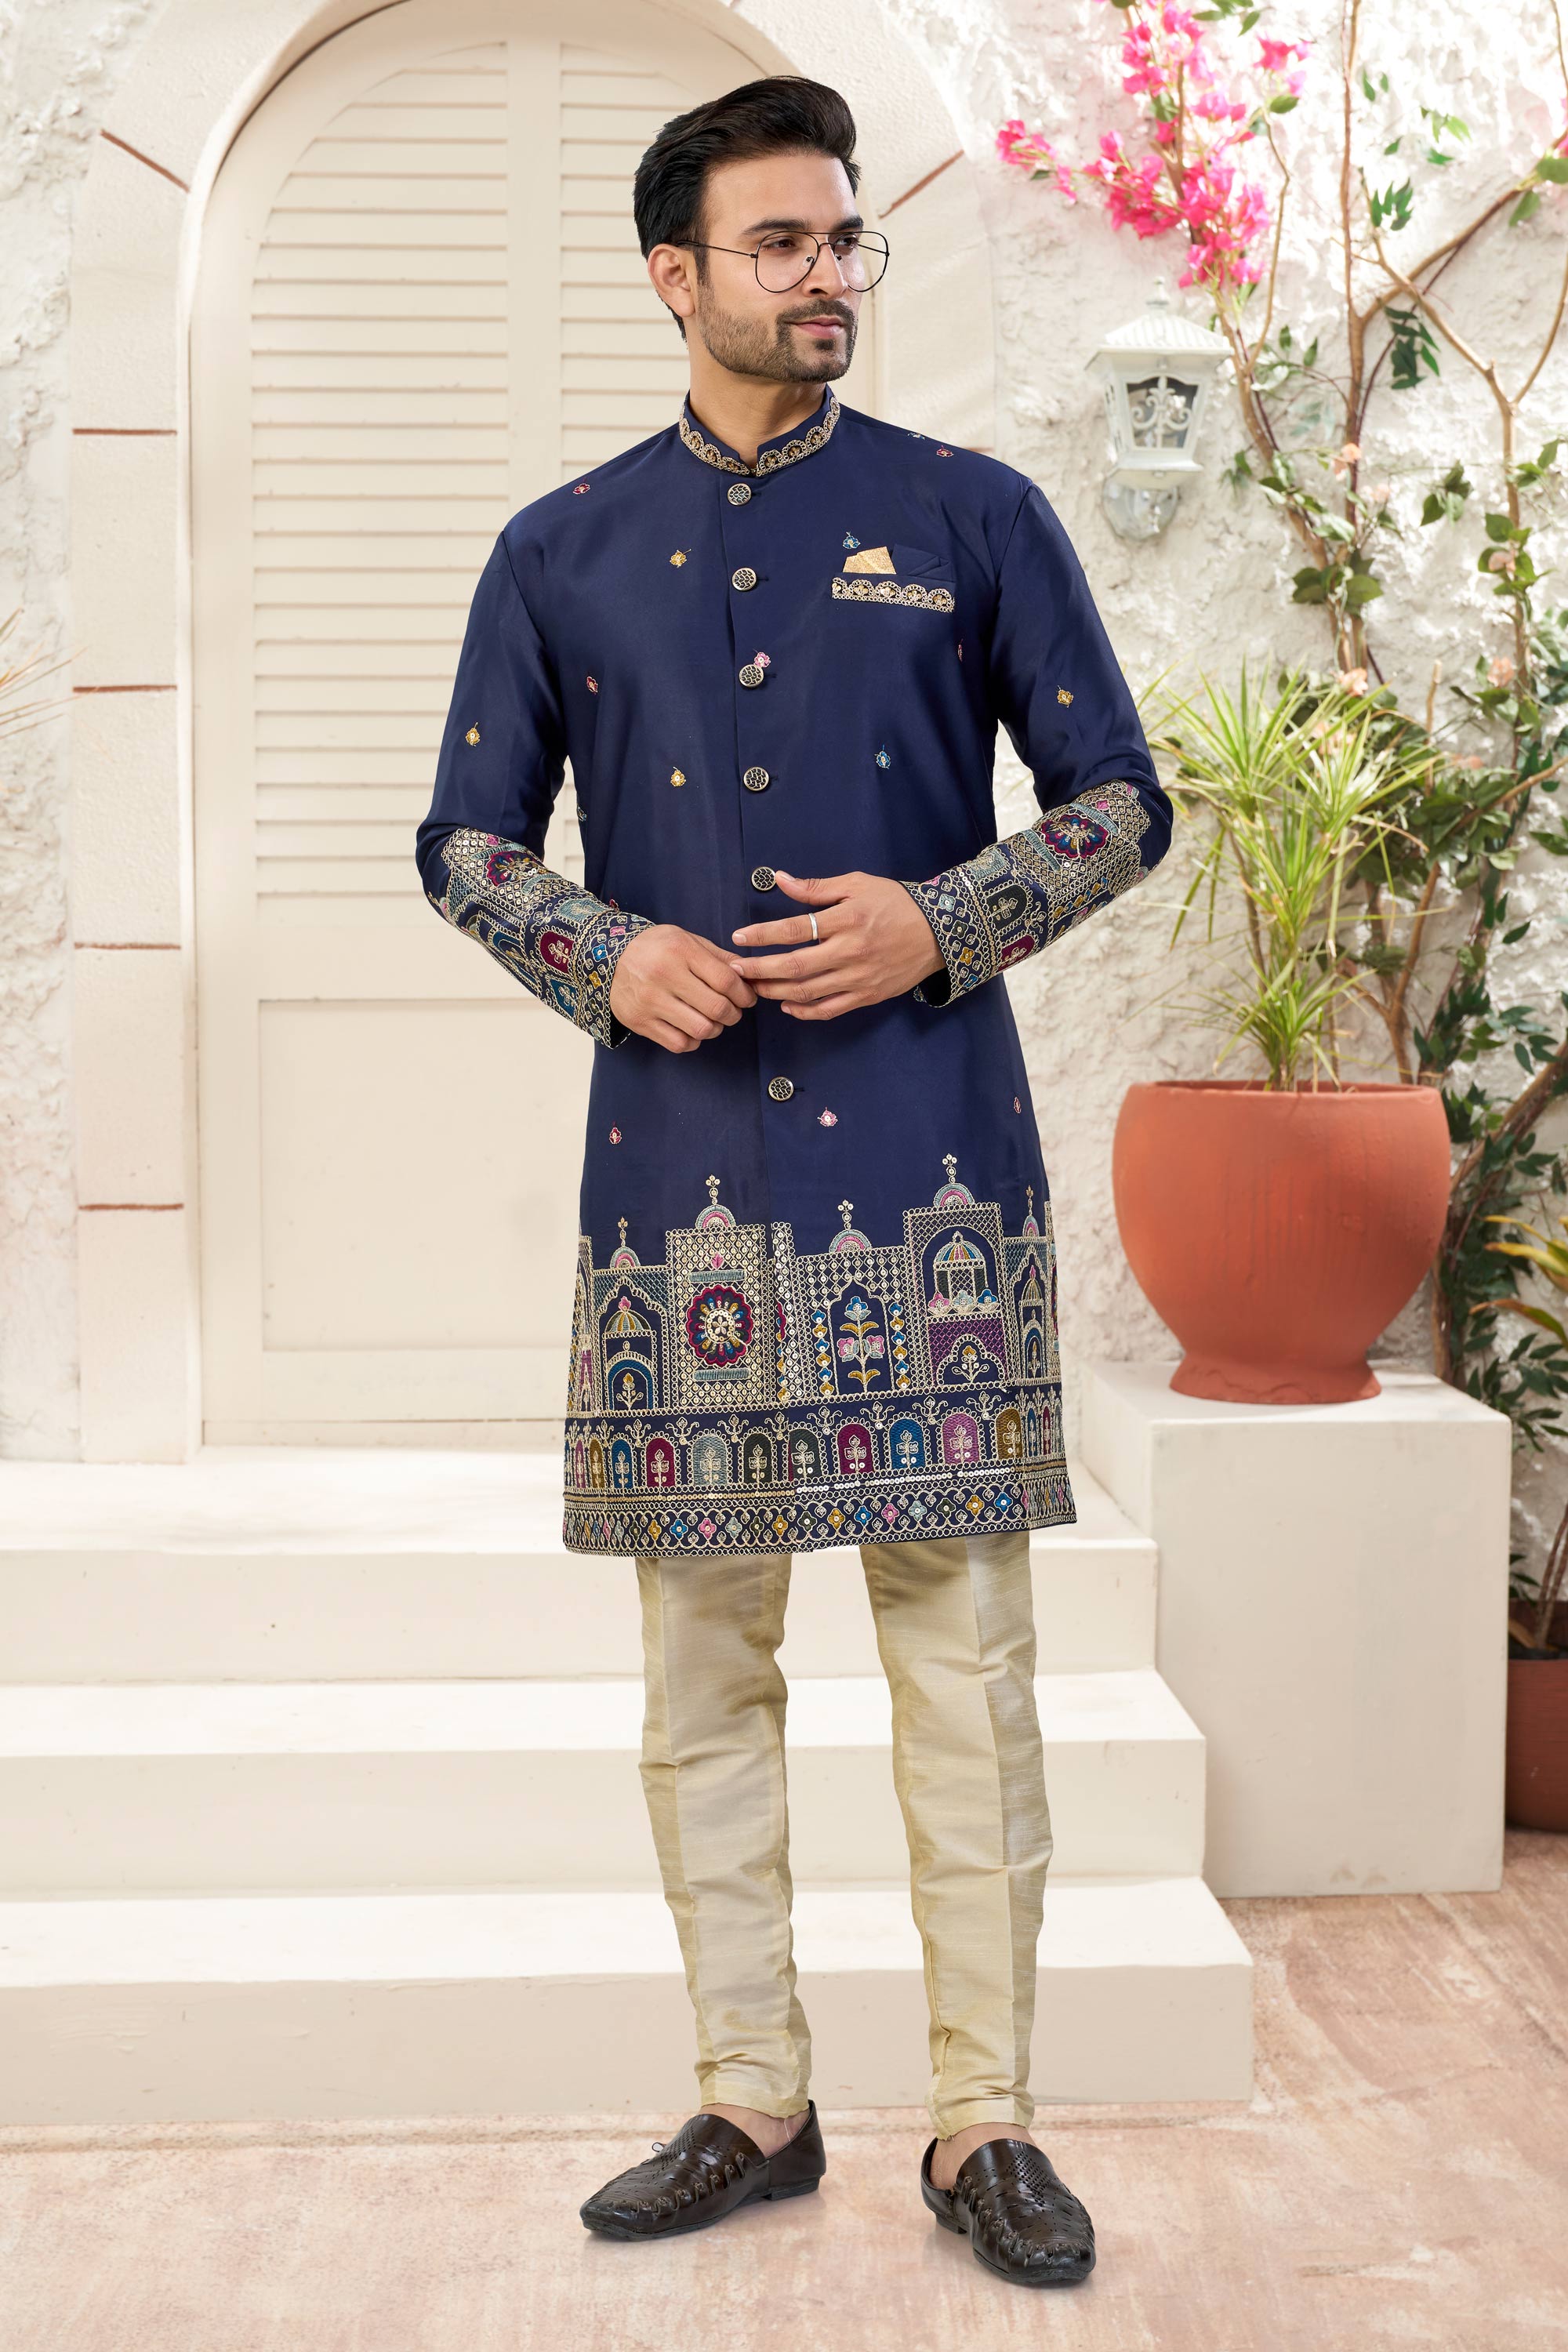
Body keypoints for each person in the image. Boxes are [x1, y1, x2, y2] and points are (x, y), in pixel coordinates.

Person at [415, 74, 1171, 2288]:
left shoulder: (971, 515)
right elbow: (465, 839)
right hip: (681, 1202)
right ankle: (753, 2098)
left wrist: (950, 918)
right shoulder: (559, 548)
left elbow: (1120, 801)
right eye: (782, 244)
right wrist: (600, 951)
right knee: (701, 1680)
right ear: (678, 276)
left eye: (845, 238)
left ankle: (985, 2122)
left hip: (931, 1186)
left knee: (969, 1673)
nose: (828, 275)